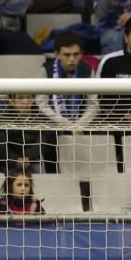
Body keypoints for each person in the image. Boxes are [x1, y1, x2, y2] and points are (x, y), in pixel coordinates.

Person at [39, 31, 98, 172]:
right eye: (67, 55)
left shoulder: (87, 70)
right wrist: (65, 124)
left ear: (82, 53)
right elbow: (42, 105)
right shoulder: (45, 71)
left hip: (81, 126)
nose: (72, 59)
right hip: (52, 128)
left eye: (76, 54)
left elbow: (93, 104)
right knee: (49, 137)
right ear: (57, 54)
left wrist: (79, 125)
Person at [0, 95, 43, 174]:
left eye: (29, 98)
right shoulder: (0, 119)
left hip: (30, 161)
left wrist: (27, 158)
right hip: (7, 163)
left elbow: (41, 143)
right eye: (21, 98)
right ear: (11, 101)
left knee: (38, 172)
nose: (25, 102)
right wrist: (16, 160)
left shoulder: (40, 117)